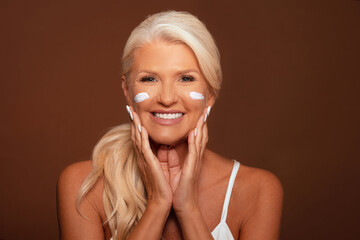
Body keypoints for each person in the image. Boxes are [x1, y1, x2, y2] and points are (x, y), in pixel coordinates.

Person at [57, 11, 283, 240]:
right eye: (149, 79)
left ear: (211, 93)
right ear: (127, 90)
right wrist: (157, 205)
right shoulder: (82, 184)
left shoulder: (258, 190)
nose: (166, 98)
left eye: (185, 78)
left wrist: (188, 209)